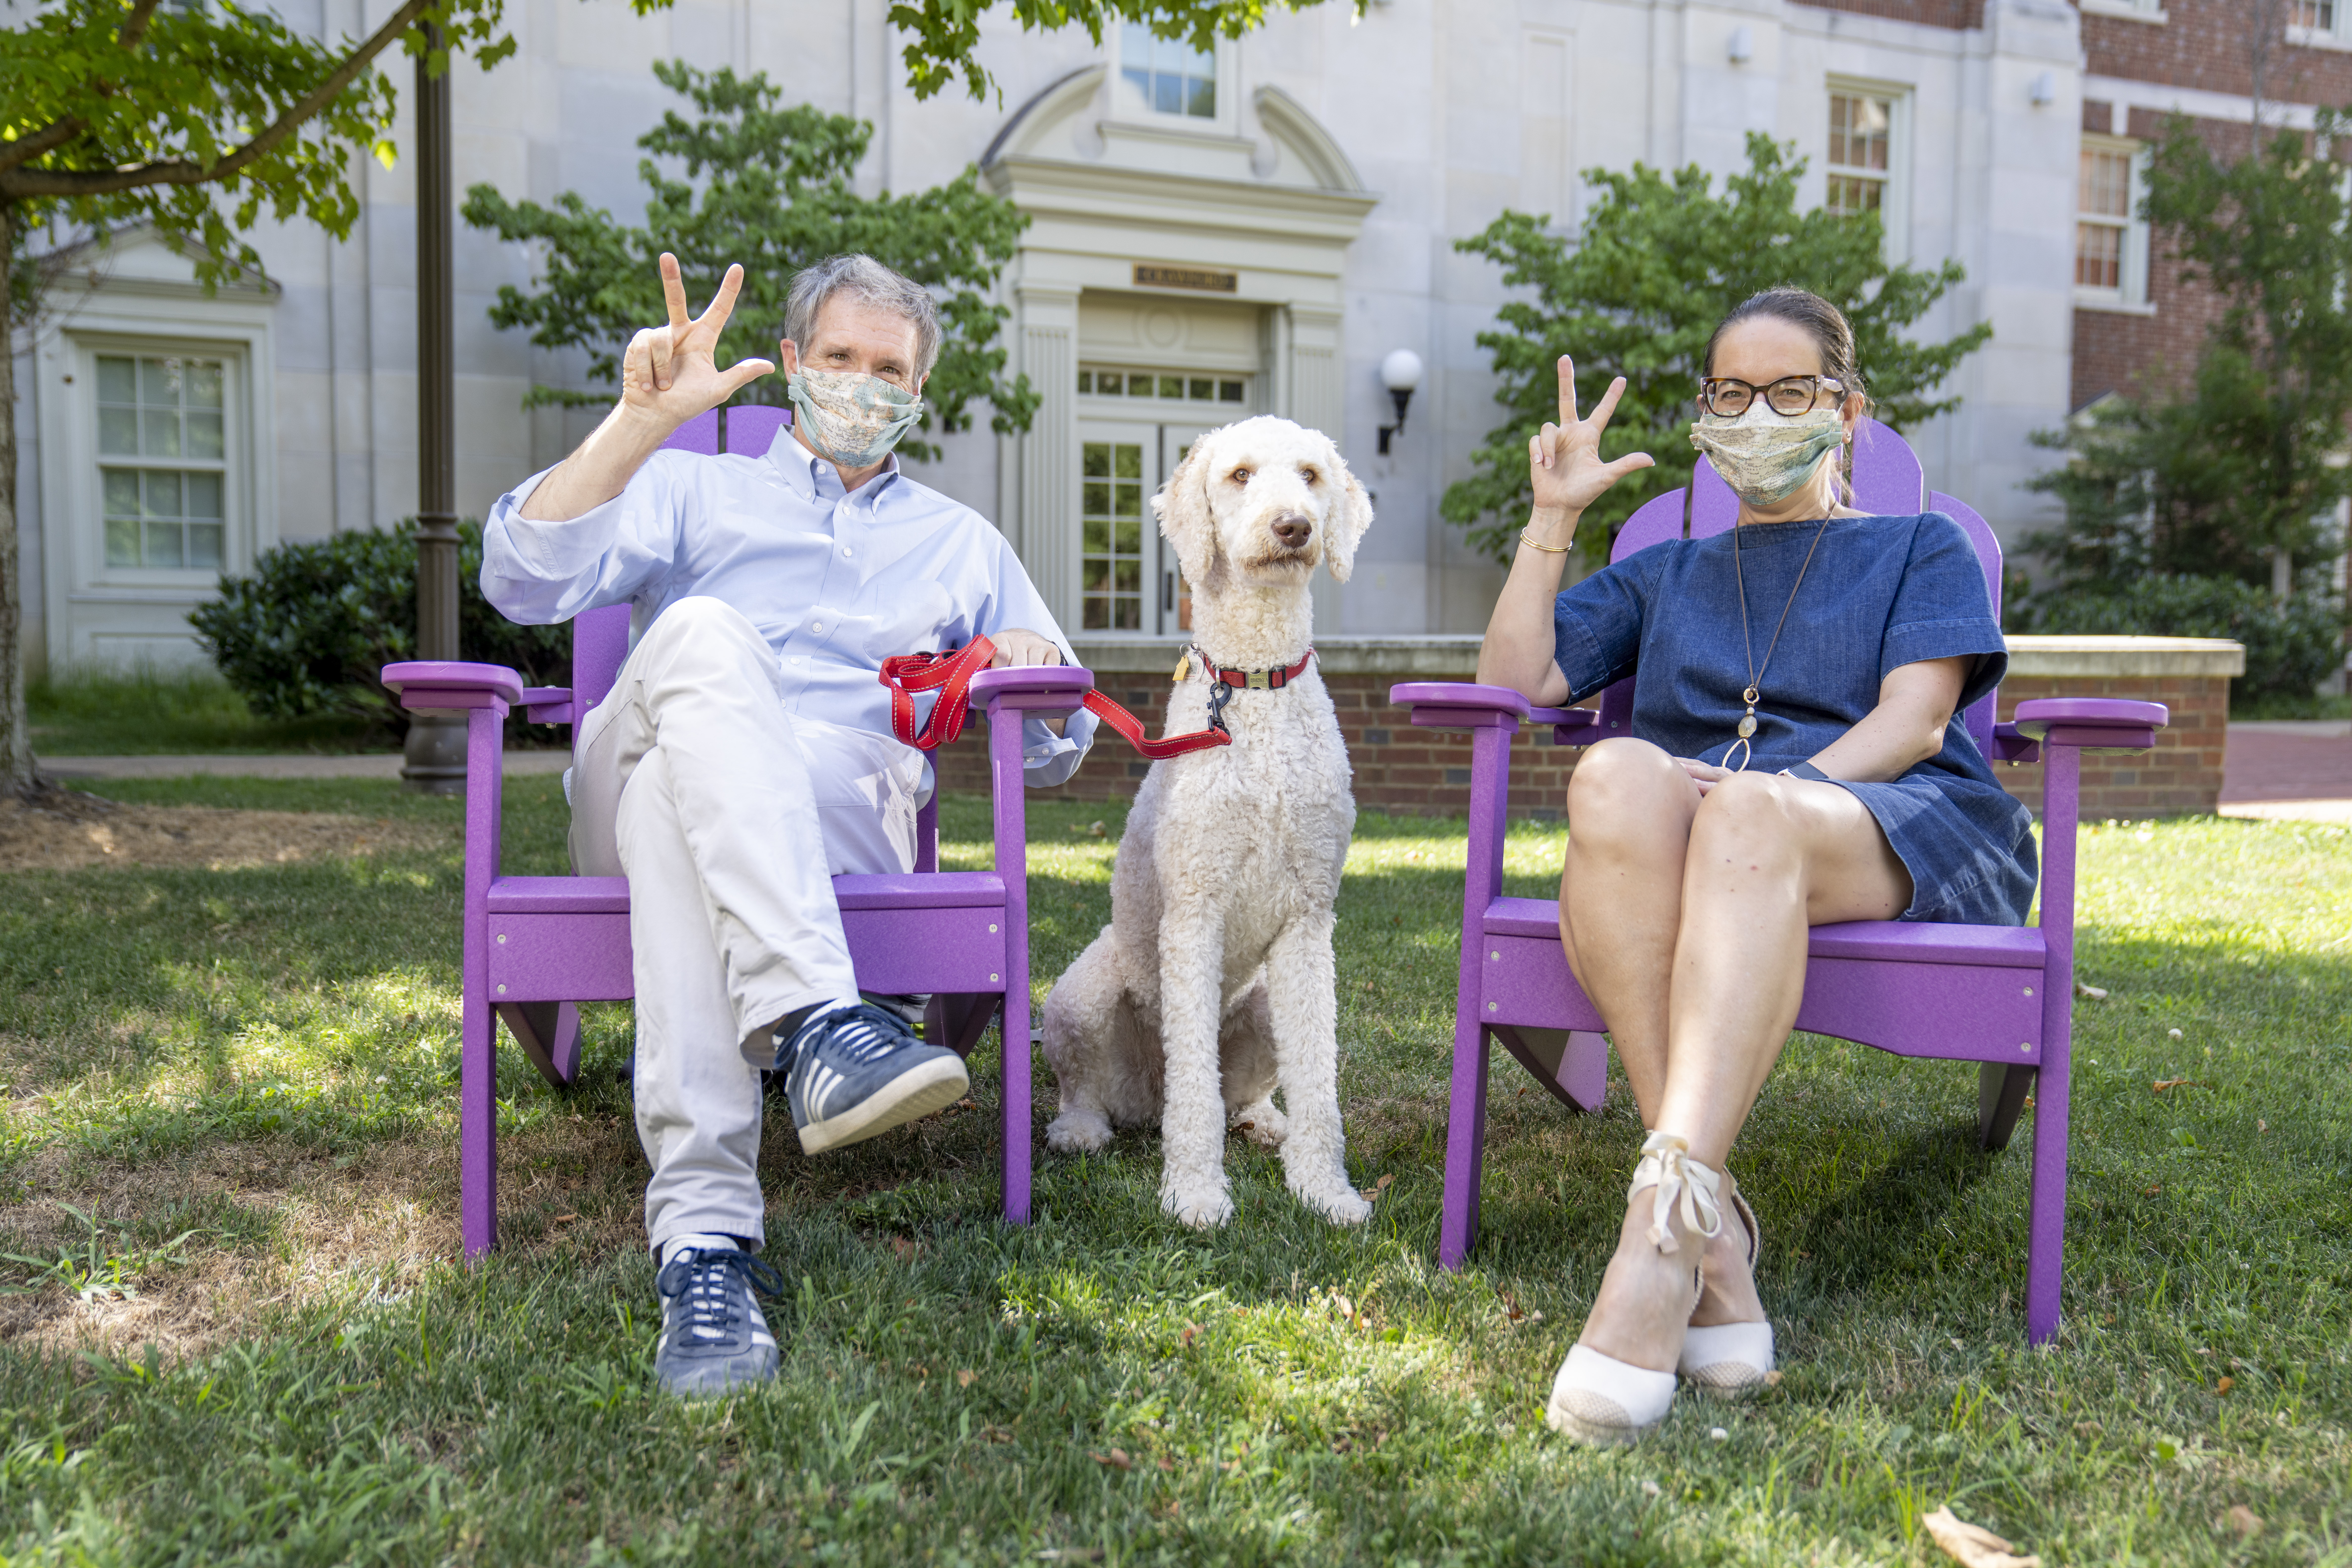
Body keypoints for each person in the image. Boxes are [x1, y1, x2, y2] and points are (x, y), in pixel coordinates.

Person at [481, 251, 1096, 1398]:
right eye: (845, 359)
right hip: (626, 781)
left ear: (919, 392)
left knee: (684, 803)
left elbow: (1064, 747)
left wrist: (1037, 665)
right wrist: (636, 422)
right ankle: (821, 1023)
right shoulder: (687, 486)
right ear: (799, 360)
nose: (866, 384)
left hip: (817, 817)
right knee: (713, 637)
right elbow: (519, 577)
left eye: (892, 370)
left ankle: (705, 1245)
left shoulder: (964, 544)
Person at [1476, 287, 2031, 1445]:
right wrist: (1552, 520)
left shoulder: (1918, 546)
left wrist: (1772, 793)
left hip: (1890, 819)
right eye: (1733, 393)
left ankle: (1656, 1246)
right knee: (1613, 774)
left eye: (1791, 392)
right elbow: (1515, 683)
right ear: (1705, 411)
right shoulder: (1667, 573)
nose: (1758, 415)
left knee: (1746, 818)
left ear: (1847, 411)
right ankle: (1710, 1229)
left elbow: (1918, 721)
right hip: (1702, 838)